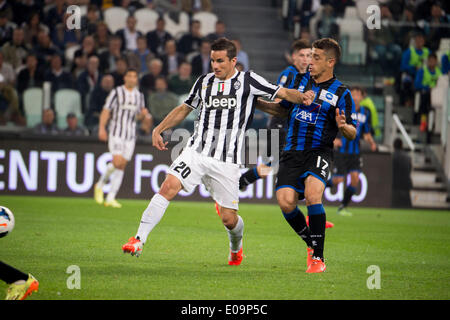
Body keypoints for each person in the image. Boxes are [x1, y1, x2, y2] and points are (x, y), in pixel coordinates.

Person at [121, 37, 314, 265]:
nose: (215, 66)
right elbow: (185, 108)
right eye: (213, 60)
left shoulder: (248, 81)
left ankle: (236, 247)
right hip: (196, 151)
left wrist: (302, 97)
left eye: (220, 61)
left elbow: (281, 92)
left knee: (229, 219)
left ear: (233, 61)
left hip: (226, 160)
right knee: (168, 186)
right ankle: (138, 239)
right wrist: (160, 128)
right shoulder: (203, 82)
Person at [255, 38, 357, 273]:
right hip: (292, 151)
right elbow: (280, 110)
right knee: (285, 201)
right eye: (310, 56)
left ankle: (318, 258)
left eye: (317, 57)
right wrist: (256, 103)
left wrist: (343, 127)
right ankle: (311, 244)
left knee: (313, 195)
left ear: (330, 62)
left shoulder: (342, 93)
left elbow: (352, 132)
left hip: (319, 151)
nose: (310, 62)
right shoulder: (299, 81)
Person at [239, 39, 311, 190]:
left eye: (309, 55)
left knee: (274, 165)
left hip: (292, 127)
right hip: (279, 124)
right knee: (273, 164)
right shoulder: (289, 74)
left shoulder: (308, 77)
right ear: (294, 57)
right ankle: (241, 181)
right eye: (302, 55)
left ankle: (243, 181)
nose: (305, 59)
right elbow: (278, 96)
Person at [94, 68, 152, 208]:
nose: (132, 79)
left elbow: (138, 117)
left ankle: (110, 198)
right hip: (116, 132)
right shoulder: (117, 92)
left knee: (122, 165)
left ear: (136, 79)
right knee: (117, 161)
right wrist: (102, 128)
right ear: (125, 78)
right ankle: (100, 184)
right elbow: (106, 111)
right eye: (129, 76)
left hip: (130, 134)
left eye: (134, 76)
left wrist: (143, 116)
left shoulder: (139, 96)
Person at [327, 86, 377, 216]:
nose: (355, 97)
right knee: (338, 180)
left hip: (355, 153)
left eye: (357, 94)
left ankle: (343, 207)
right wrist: (333, 140)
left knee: (355, 179)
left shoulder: (366, 113)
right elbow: (331, 125)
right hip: (341, 152)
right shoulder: (342, 109)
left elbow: (366, 133)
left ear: (362, 96)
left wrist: (371, 142)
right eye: (352, 94)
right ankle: (316, 186)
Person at [414, 53, 442, 134]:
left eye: (433, 61)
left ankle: (434, 124)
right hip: (425, 93)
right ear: (428, 61)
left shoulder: (439, 73)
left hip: (436, 94)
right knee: (425, 98)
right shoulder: (422, 71)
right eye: (430, 61)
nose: (432, 62)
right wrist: (427, 87)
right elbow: (417, 84)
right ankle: (423, 122)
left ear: (436, 62)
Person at [391, 138, 412, 208]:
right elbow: (409, 169)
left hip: (395, 186)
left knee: (394, 206)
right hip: (406, 185)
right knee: (407, 207)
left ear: (394, 146)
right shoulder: (408, 157)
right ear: (401, 145)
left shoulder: (391, 156)